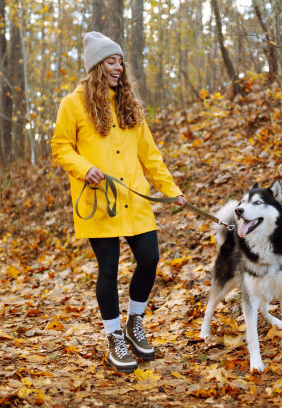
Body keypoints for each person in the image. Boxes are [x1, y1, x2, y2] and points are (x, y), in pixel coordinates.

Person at [51, 32, 185, 373]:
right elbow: (61, 147)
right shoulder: (72, 104)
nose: (119, 67)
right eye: (111, 61)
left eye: (121, 61)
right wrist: (84, 169)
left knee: (150, 258)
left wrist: (171, 190)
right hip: (99, 202)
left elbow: (151, 156)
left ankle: (134, 322)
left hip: (135, 200)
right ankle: (115, 338)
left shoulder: (129, 106)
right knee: (108, 268)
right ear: (97, 66)